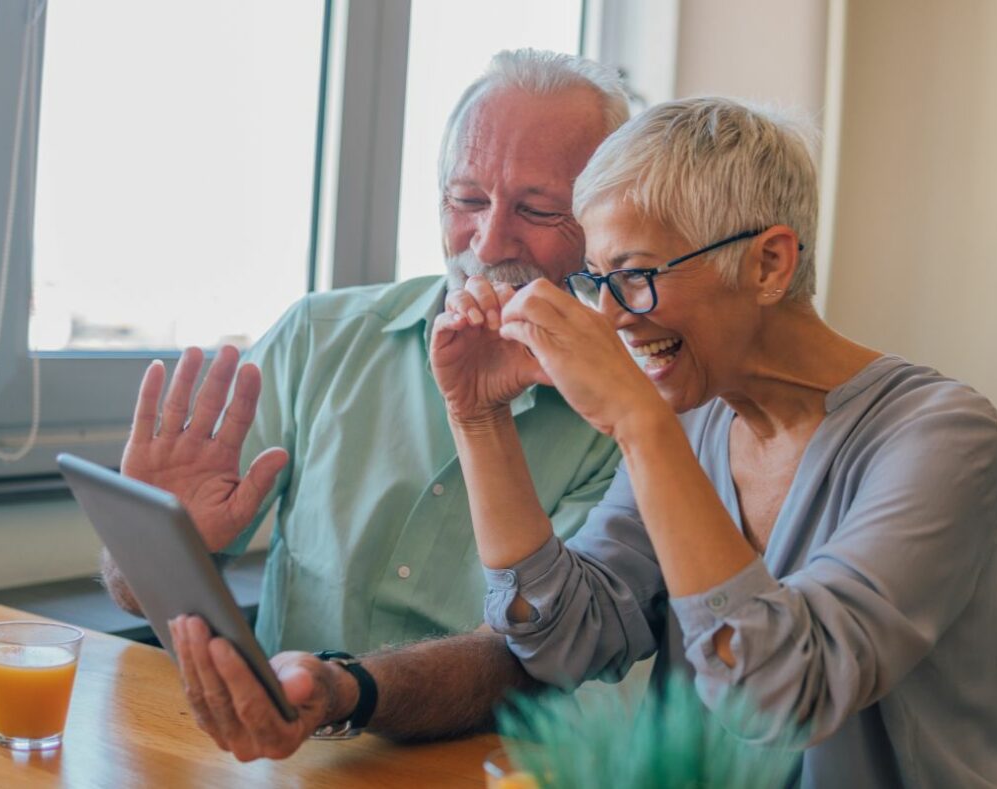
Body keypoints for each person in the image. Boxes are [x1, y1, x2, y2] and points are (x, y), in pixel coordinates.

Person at [167, 97, 997, 788]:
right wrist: (479, 419)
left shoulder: (941, 435)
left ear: (767, 264)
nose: (610, 314)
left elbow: (784, 694)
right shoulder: (695, 419)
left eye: (637, 277)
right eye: (599, 281)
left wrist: (639, 425)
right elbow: (566, 636)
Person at [103, 49, 628, 659]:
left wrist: (348, 696)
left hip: (495, 755)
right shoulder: (317, 337)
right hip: (287, 751)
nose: (486, 244)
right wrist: (148, 547)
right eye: (467, 199)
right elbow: (146, 589)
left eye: (536, 209)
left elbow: (539, 653)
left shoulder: (631, 411)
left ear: (599, 223)